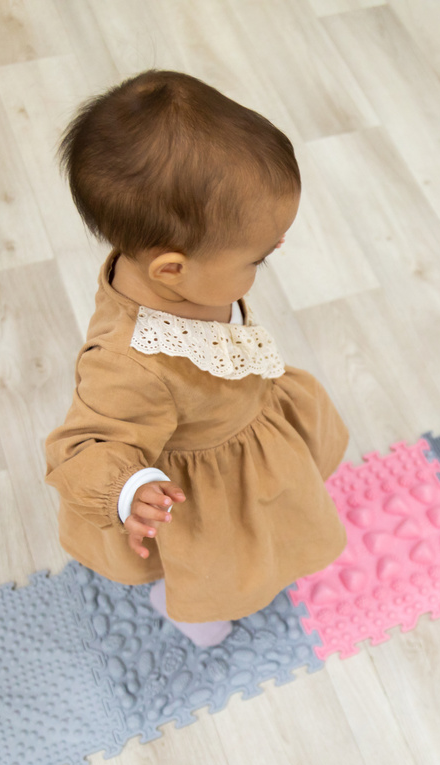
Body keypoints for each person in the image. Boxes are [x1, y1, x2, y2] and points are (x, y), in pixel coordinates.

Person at [45, 70, 348, 648]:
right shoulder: (127, 362)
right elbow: (80, 445)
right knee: (218, 560)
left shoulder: (177, 264)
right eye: (259, 257)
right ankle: (190, 609)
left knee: (273, 520)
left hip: (247, 417)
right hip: (201, 483)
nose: (274, 254)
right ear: (172, 270)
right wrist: (129, 489)